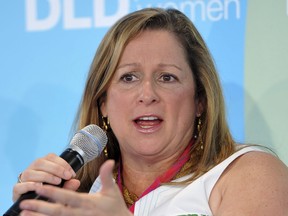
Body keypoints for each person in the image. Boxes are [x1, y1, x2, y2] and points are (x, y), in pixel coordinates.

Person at [12, 8, 288, 216]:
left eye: (167, 77)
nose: (147, 94)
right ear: (103, 102)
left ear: (200, 100)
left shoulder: (246, 173)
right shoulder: (77, 197)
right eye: (128, 77)